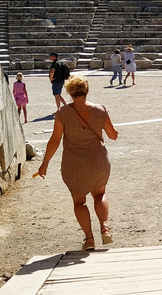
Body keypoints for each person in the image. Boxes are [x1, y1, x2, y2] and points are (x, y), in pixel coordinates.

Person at [36, 76, 119, 250]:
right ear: (87, 90)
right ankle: (104, 227)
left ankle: (89, 239)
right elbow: (112, 135)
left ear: (70, 93)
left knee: (79, 202)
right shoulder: (100, 110)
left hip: (73, 164)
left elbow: (55, 140)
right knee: (99, 194)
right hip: (98, 162)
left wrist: (45, 162)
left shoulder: (62, 114)